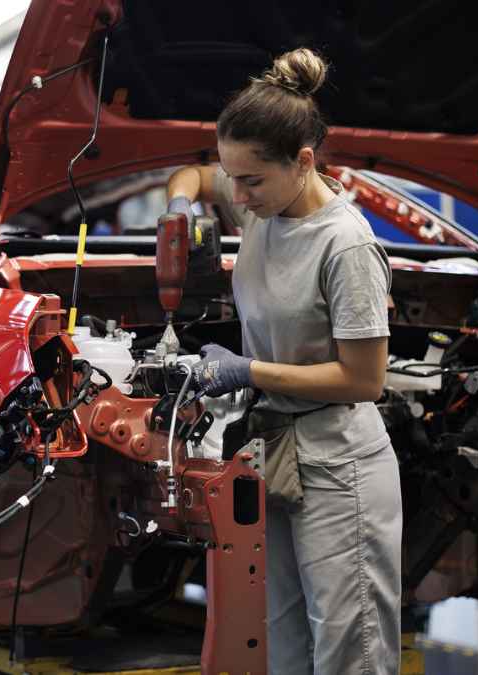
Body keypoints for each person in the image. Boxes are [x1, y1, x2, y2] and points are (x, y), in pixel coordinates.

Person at [166, 48, 402, 674]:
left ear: (304, 162)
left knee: (351, 649)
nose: (237, 194)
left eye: (251, 181)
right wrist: (179, 208)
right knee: (281, 642)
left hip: (339, 464)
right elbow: (195, 177)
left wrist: (248, 371)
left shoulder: (345, 246)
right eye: (233, 177)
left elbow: (364, 379)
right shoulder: (261, 198)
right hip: (274, 451)